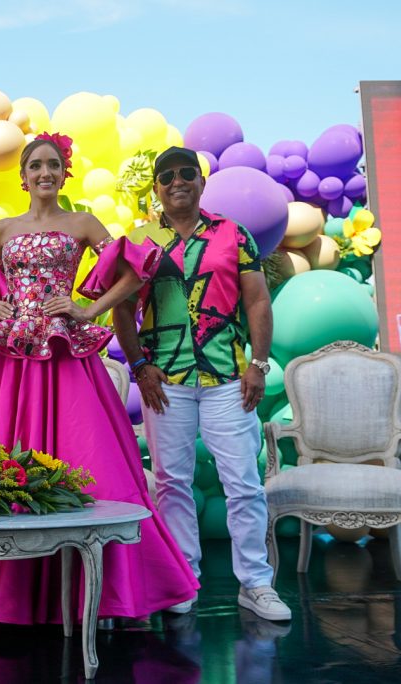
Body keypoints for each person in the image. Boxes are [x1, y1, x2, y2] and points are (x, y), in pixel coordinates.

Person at [0, 134, 199, 624]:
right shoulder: (2, 229)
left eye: (53, 165)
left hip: (65, 352)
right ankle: (7, 591)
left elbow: (134, 272)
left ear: (65, 174)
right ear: (22, 177)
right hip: (14, 359)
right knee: (5, 457)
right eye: (36, 165)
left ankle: (108, 591)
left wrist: (88, 310)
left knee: (92, 461)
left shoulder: (82, 223)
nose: (45, 172)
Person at [112, 146, 291, 622]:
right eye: (166, 177)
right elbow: (122, 309)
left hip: (227, 378)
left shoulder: (233, 235)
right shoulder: (141, 240)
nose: (177, 182)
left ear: (200, 180)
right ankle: (183, 579)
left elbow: (256, 302)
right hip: (164, 381)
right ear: (156, 188)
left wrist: (259, 363)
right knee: (172, 484)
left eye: (186, 173)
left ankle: (255, 584)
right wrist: (138, 366)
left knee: (244, 484)